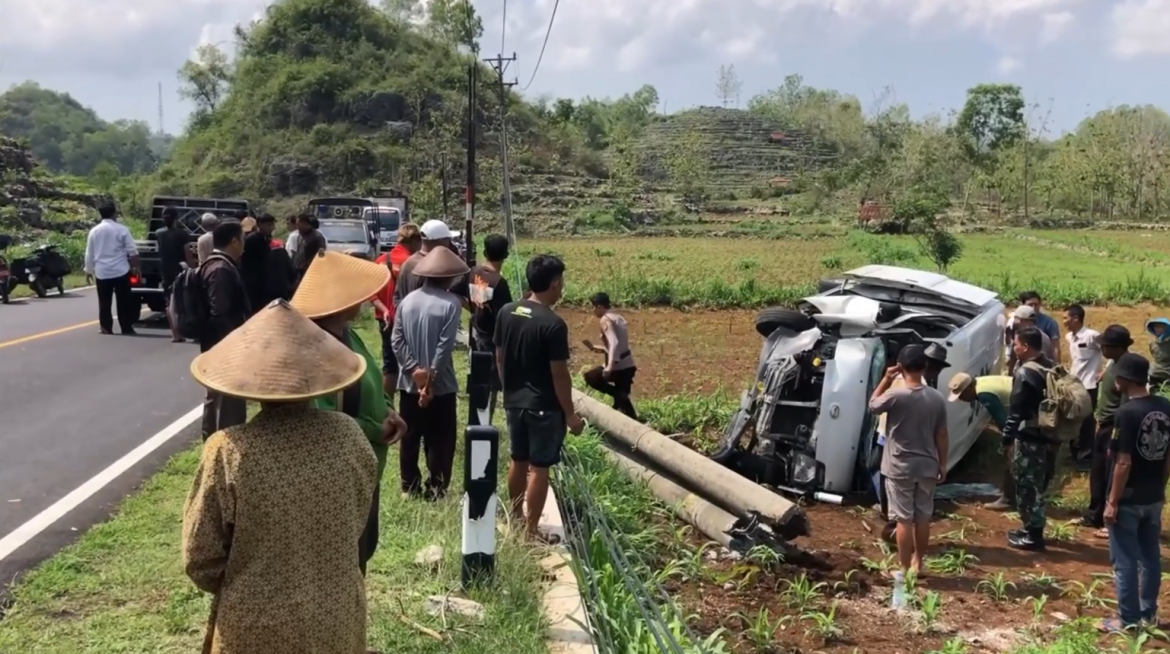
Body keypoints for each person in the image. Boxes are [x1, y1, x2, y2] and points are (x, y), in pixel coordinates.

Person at [182, 299, 383, 654]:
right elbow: (358, 515)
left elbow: (201, 557)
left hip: (255, 626)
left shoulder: (228, 450)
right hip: (335, 621)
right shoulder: (349, 436)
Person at [291, 250, 404, 574]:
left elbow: (370, 379)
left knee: (362, 551)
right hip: (336, 472)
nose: (367, 299)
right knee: (342, 562)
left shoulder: (348, 334)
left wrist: (391, 410)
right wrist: (374, 429)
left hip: (363, 466)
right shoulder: (315, 346)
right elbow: (320, 414)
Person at [494, 255, 585, 544]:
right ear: (556, 284)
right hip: (543, 406)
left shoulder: (507, 312)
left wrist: (509, 388)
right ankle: (531, 533)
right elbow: (559, 374)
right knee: (539, 467)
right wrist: (570, 415)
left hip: (514, 401)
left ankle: (516, 520)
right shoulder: (553, 324)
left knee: (517, 460)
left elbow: (499, 356)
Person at [1101, 352, 1170, 633]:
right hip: (1153, 495)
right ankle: (1148, 613)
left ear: (1126, 379)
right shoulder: (1165, 406)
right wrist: (1161, 487)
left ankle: (1128, 620)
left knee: (1125, 560)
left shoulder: (1126, 413)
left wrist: (1112, 502)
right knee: (1150, 556)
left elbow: (1123, 462)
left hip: (1128, 497)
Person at [391, 247, 468, 499]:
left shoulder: (406, 301)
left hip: (409, 384)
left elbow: (397, 340)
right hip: (441, 385)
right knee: (441, 437)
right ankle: (436, 487)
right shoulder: (451, 303)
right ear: (448, 277)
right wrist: (431, 380)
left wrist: (414, 371)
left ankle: (408, 486)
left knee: (410, 434)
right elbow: (444, 346)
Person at [868, 345, 949, 575]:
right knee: (923, 517)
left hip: (898, 466)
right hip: (927, 466)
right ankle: (918, 564)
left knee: (904, 519)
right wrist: (943, 463)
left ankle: (903, 569)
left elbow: (873, 405)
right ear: (924, 367)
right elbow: (942, 434)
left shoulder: (896, 395)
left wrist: (885, 379)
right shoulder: (937, 398)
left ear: (900, 367)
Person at [1003, 326, 1055, 551]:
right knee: (1037, 483)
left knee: (1028, 486)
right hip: (1048, 435)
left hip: (1029, 437)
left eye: (1015, 344)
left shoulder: (1025, 373)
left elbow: (1016, 411)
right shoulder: (1049, 366)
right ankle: (1029, 528)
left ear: (1024, 346)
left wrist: (1006, 438)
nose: (1013, 348)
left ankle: (1034, 536)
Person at [199, 221, 251, 441]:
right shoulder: (220, 269)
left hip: (219, 342)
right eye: (243, 239)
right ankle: (224, 442)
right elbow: (219, 310)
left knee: (219, 394)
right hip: (223, 343)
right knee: (227, 395)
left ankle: (216, 439)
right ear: (234, 241)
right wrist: (233, 344)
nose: (244, 245)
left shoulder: (219, 264)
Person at [1081, 325, 1134, 537]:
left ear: (1118, 348)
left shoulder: (1126, 369)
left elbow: (1125, 405)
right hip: (1103, 425)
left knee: (1113, 474)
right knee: (1098, 472)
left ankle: (1111, 520)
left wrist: (1117, 435)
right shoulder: (1114, 362)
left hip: (1114, 427)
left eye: (1105, 346)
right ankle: (1094, 514)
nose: (1102, 349)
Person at [948, 372, 1015, 510]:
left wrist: (1008, 442)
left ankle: (1008, 499)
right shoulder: (981, 382)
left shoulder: (984, 394)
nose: (961, 399)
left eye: (961, 394)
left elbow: (1002, 421)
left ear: (969, 388)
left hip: (1029, 410)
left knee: (1013, 460)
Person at [373, 223, 421, 393]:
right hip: (407, 319)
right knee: (411, 362)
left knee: (389, 365)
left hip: (385, 319)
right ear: (415, 241)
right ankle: (411, 397)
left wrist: (384, 309)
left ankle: (388, 406)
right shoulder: (413, 264)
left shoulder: (381, 260)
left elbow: (372, 294)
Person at [83, 202, 140, 336]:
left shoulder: (94, 231)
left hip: (102, 272)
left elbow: (89, 253)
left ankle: (106, 327)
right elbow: (132, 251)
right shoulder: (122, 229)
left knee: (104, 302)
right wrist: (135, 267)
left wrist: (88, 271)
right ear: (114, 214)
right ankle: (126, 327)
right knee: (124, 301)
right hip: (121, 271)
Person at [582, 292, 639, 420]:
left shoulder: (605, 319)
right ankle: (634, 422)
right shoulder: (618, 317)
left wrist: (610, 366)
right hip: (628, 366)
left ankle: (619, 396)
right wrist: (600, 349)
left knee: (591, 377)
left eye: (593, 307)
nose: (593, 310)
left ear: (600, 307)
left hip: (618, 367)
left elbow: (614, 342)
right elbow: (619, 345)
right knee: (622, 406)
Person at [394, 220, 469, 308]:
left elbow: (396, 297)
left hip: (408, 318)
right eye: (448, 240)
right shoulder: (432, 268)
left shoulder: (408, 262)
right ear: (442, 241)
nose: (449, 244)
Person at [1065, 305, 1103, 467]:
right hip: (1074, 385)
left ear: (1075, 318)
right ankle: (1075, 453)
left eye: (1066, 318)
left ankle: (1087, 456)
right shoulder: (1069, 337)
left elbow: (1112, 350)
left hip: (1089, 385)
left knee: (1086, 421)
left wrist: (1104, 372)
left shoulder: (1091, 336)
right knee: (1072, 418)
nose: (1064, 321)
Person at [469, 234, 514, 354]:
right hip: (491, 340)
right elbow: (506, 316)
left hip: (475, 332)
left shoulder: (474, 272)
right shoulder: (499, 282)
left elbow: (456, 293)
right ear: (506, 255)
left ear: (484, 253)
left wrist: (472, 307)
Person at [156, 206, 193, 342]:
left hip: (165, 270)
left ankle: (174, 334)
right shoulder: (182, 234)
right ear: (176, 218)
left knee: (169, 302)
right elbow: (187, 253)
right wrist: (191, 268)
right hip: (180, 269)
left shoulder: (159, 233)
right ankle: (182, 331)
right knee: (181, 302)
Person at [1007, 305, 1056, 371]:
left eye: (1015, 318)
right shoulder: (1021, 334)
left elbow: (1039, 365)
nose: (1014, 321)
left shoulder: (1037, 337)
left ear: (1021, 321)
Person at [1019, 291, 1062, 360]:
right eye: (1030, 305)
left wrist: (1056, 365)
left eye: (1036, 304)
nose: (1033, 308)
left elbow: (1055, 347)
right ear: (1023, 305)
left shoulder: (1049, 323)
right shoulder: (1018, 322)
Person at [292, 214, 327, 280]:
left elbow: (322, 255)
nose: (296, 227)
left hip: (310, 272)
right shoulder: (300, 235)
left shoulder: (317, 237)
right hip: (299, 271)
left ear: (304, 223)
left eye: (298, 224)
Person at [1145, 318, 1170, 389]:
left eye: (1160, 327)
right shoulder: (1152, 343)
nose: (1157, 329)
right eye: (1155, 326)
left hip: (1167, 376)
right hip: (1155, 375)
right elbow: (1155, 357)